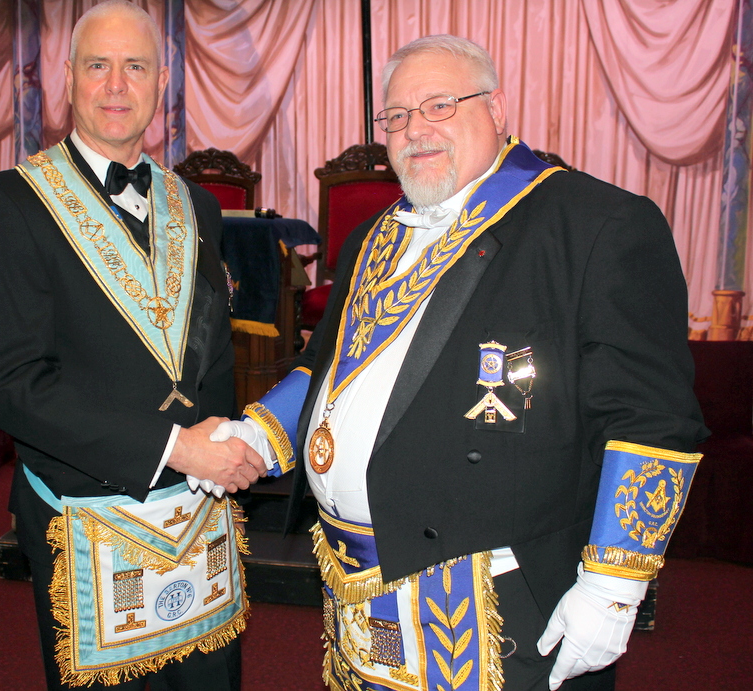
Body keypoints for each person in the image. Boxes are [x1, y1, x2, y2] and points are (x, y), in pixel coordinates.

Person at [214, 35, 708, 690]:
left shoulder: (597, 224)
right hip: (354, 589)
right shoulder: (370, 238)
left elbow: (650, 418)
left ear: (497, 108)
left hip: (502, 600)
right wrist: (259, 432)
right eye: (397, 115)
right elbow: (326, 365)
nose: (415, 129)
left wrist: (615, 584)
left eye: (440, 105)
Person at [0, 1, 267, 689]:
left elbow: (209, 353)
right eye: (97, 65)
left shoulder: (197, 205)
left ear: (162, 83)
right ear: (68, 79)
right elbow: (12, 384)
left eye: (135, 67)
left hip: (198, 506)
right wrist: (174, 446)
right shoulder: (9, 203)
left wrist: (220, 445)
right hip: (85, 511)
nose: (115, 86)